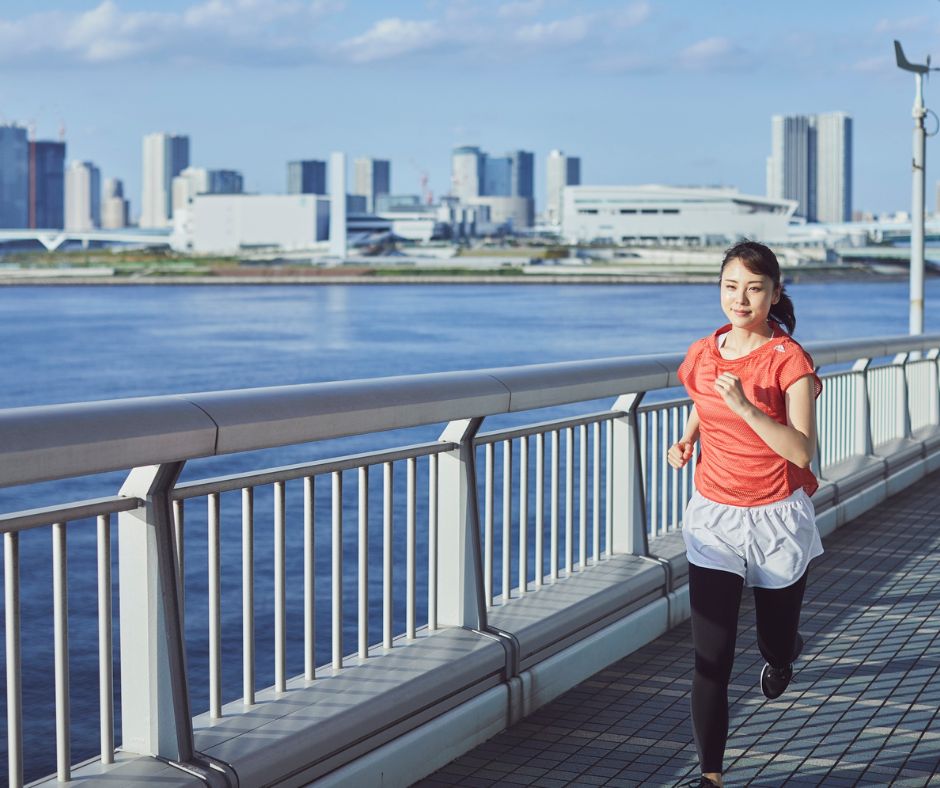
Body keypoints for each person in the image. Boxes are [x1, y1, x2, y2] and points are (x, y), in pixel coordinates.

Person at [668, 241, 823, 788]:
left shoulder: (790, 360)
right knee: (711, 653)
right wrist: (687, 438)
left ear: (774, 294)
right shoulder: (702, 351)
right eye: (731, 286)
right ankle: (711, 776)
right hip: (715, 517)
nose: (741, 297)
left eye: (755, 288)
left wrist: (745, 409)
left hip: (777, 517)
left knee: (775, 640)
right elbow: (702, 399)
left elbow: (802, 450)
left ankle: (782, 659)